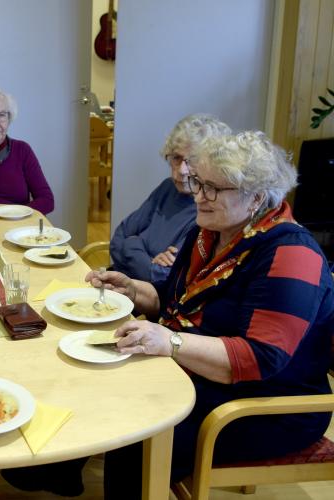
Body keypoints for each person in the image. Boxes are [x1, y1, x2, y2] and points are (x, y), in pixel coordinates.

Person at [93, 131, 334, 498]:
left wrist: (170, 342)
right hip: (209, 377)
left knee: (139, 424)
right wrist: (134, 291)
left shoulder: (292, 253)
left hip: (265, 404)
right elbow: (176, 301)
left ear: (255, 197)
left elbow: (261, 358)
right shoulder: (210, 233)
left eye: (212, 188)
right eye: (198, 183)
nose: (197, 195)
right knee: (107, 379)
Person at [110, 114, 231, 284]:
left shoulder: (207, 209)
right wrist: (146, 257)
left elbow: (162, 277)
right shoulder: (167, 188)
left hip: (147, 304)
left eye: (192, 160)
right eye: (176, 158)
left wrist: (133, 243)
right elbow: (118, 239)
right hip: (118, 282)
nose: (181, 170)